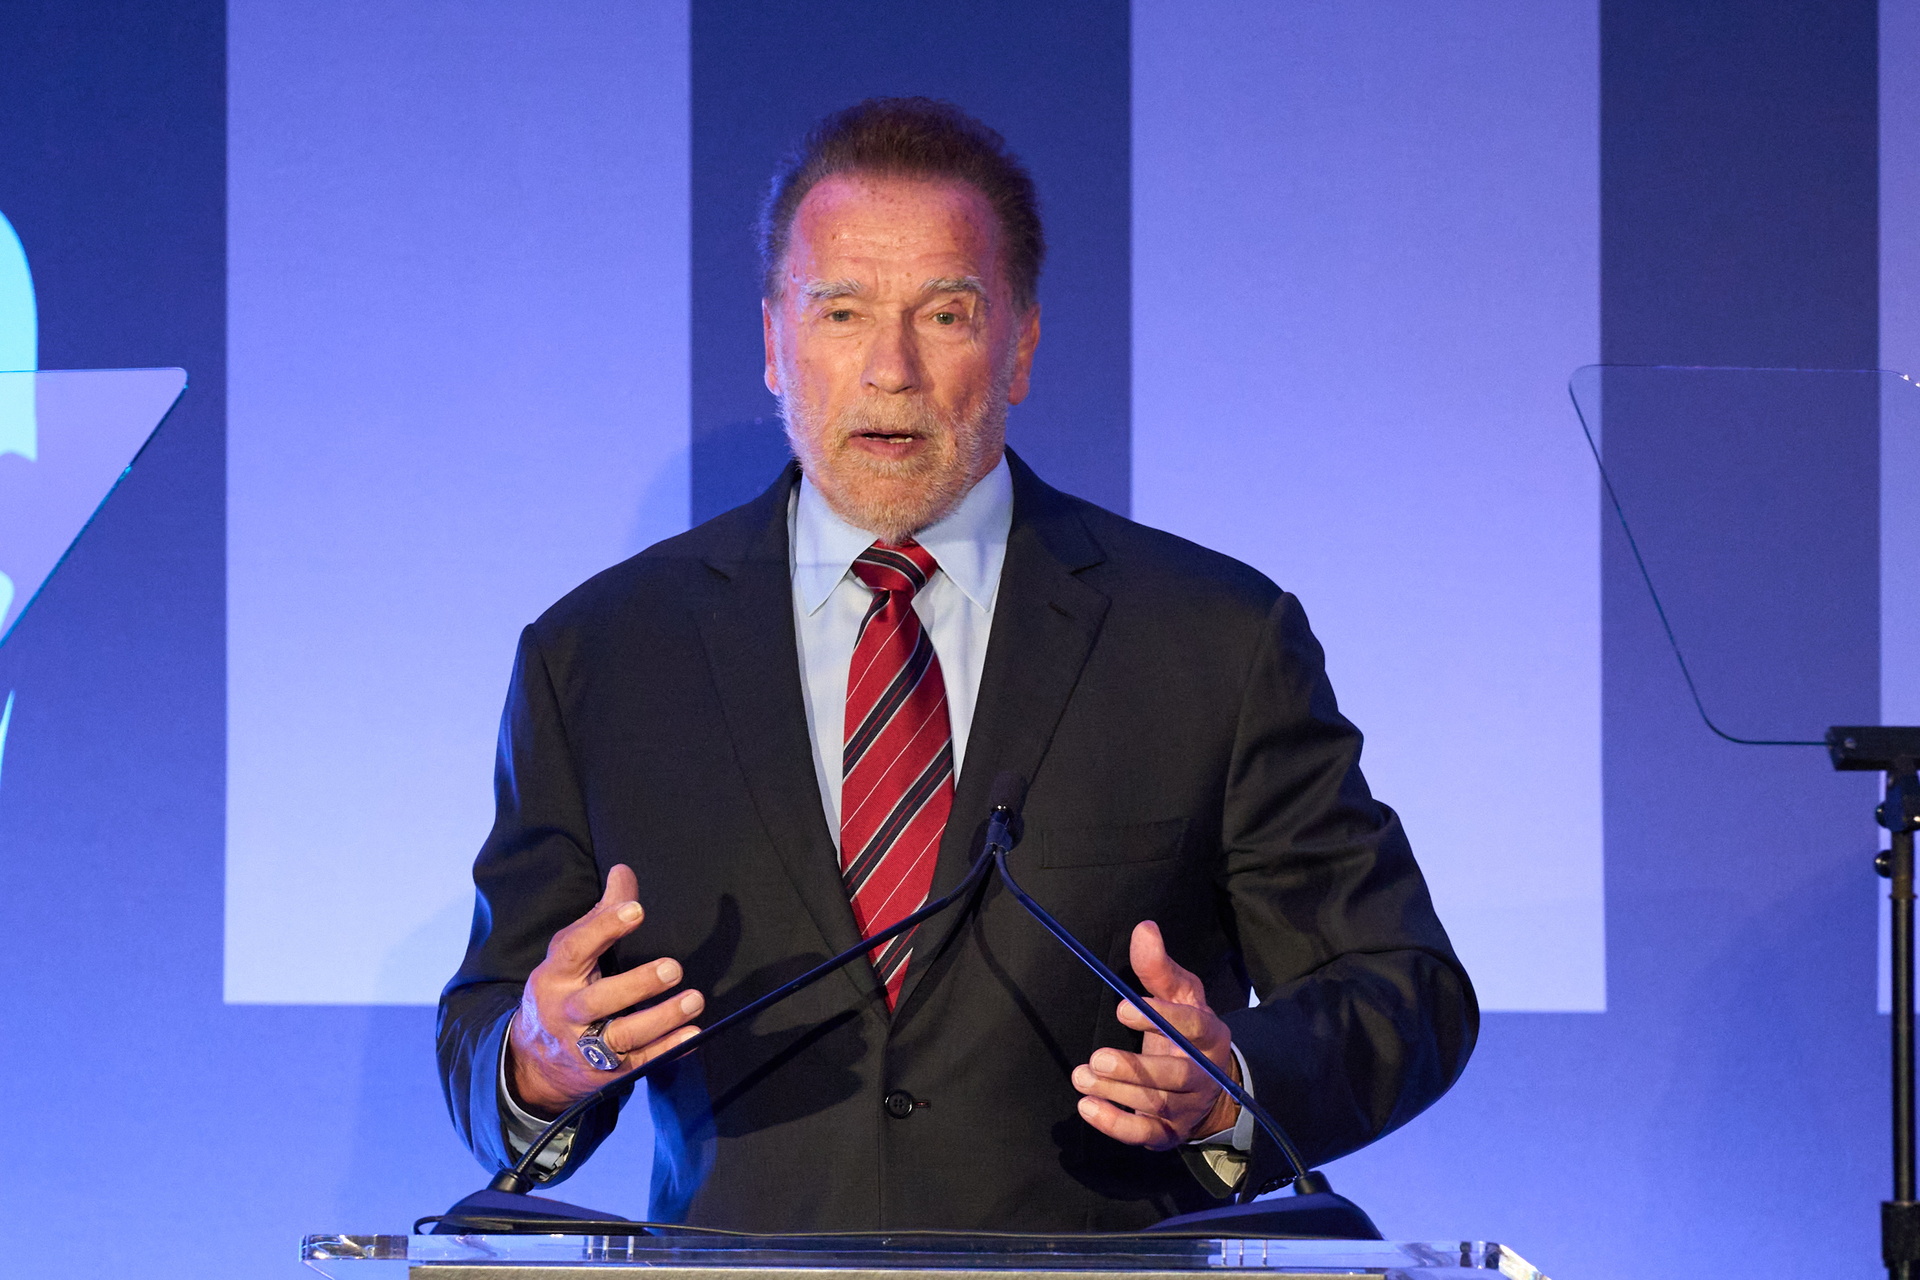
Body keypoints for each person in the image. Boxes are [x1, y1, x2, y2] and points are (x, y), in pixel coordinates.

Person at [438, 97, 1476, 1233]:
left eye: (945, 314)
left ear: (1019, 346)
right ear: (775, 343)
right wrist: (537, 1061)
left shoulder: (1212, 639)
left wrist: (1230, 1084)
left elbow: (1403, 986)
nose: (891, 369)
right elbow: (489, 1028)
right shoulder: (601, 655)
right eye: (841, 311)